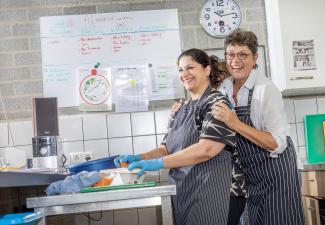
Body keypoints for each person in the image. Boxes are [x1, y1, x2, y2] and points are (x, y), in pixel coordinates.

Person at [114, 48, 235, 225]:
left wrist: (158, 164)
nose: (184, 74)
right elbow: (165, 148)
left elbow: (207, 149)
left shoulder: (216, 103)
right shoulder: (181, 108)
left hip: (206, 193)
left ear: (207, 69)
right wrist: (141, 157)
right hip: (181, 192)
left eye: (190, 68)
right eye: (180, 69)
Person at [212, 29, 305, 225]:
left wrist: (235, 123)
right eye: (230, 54)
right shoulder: (226, 87)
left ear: (255, 57)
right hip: (250, 178)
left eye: (242, 55)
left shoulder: (266, 90)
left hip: (277, 176)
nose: (235, 60)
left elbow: (277, 143)